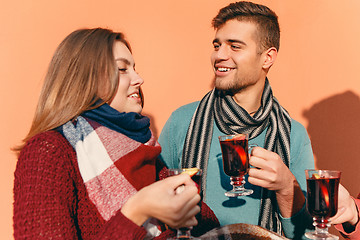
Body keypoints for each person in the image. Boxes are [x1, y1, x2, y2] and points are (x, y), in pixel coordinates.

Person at [13, 28, 219, 239]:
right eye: (122, 69)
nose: (139, 79)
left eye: (134, 68)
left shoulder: (141, 149)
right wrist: (135, 212)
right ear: (85, 80)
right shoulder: (48, 152)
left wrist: (188, 202)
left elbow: (209, 227)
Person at [158, 1, 314, 239]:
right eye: (217, 45)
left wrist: (285, 187)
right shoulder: (183, 122)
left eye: (235, 46)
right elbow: (151, 215)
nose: (219, 55)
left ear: (267, 58)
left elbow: (306, 235)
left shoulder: (293, 134)